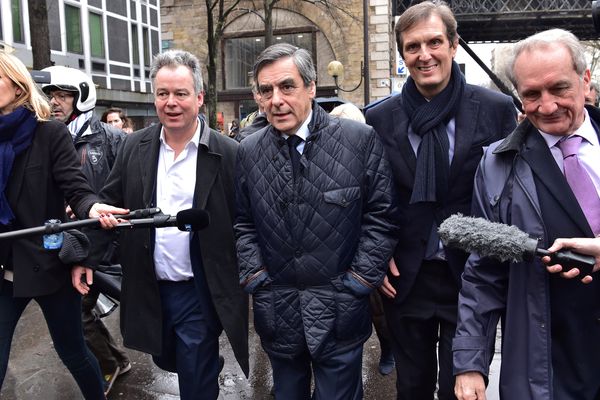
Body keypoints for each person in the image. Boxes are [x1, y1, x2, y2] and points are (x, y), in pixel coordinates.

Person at [73, 49, 249, 400]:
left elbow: (245, 220)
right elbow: (106, 201)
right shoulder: (133, 146)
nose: (171, 102)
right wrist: (85, 255)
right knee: (166, 356)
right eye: (162, 93)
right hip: (148, 285)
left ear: (199, 98)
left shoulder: (229, 153)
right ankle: (200, 364)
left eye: (180, 93)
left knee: (194, 371)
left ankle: (202, 371)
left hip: (199, 289)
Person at [364, 2, 517, 399]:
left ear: (453, 45)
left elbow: (509, 194)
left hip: (470, 277)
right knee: (411, 386)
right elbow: (370, 199)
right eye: (413, 46)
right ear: (402, 54)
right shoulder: (379, 119)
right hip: (405, 279)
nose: (424, 55)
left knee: (460, 387)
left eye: (434, 42)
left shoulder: (496, 109)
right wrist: (375, 257)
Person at [235, 43, 399, 399]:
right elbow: (242, 222)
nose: (276, 99)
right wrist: (256, 279)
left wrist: (358, 281)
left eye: (286, 86)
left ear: (311, 87)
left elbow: (381, 216)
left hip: (342, 309)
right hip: (278, 311)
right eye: (266, 90)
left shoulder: (359, 140)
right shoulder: (248, 151)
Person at [453, 28, 600, 400]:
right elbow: (483, 273)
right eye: (532, 94)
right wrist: (470, 363)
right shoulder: (496, 166)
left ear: (585, 80)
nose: (547, 106)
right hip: (548, 364)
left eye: (559, 89)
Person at [0, 52, 105, 399]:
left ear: (17, 87)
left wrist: (93, 207)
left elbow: (77, 189)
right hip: (3, 269)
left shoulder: (50, 135)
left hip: (47, 266)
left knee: (72, 351)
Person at [41, 66, 130, 394]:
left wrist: (93, 204)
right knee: (79, 313)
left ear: (81, 97)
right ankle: (113, 363)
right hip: (75, 247)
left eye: (63, 95)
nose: (55, 102)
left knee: (151, 307)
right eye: (50, 95)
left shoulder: (112, 137)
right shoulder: (46, 137)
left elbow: (132, 186)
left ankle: (186, 359)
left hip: (112, 243)